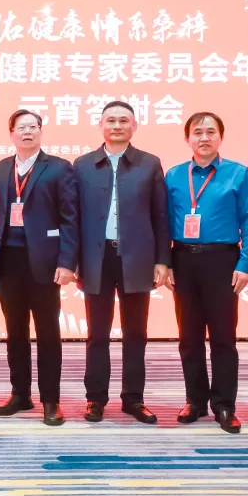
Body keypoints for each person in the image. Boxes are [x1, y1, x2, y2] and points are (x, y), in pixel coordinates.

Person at [74, 100, 170, 425]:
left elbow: (160, 216)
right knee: (97, 333)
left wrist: (162, 260)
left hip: (137, 258)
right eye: (111, 120)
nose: (117, 126)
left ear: (134, 126)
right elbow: (73, 218)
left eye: (123, 121)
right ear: (101, 125)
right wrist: (74, 260)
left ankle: (133, 398)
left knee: (136, 332)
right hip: (96, 258)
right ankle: (95, 398)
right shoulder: (83, 165)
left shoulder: (150, 164)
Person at [164, 112, 248, 434]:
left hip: (223, 261)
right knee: (189, 338)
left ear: (221, 137)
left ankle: (224, 404)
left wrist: (245, 263)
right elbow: (163, 222)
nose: (204, 138)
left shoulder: (238, 173)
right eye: (197, 132)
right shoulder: (174, 175)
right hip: (183, 261)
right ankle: (195, 400)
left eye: (210, 132)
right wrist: (164, 262)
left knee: (223, 338)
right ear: (187, 138)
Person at [0, 109, 79, 427]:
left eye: (33, 126)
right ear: (11, 133)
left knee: (48, 333)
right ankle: (20, 394)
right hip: (8, 262)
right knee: (15, 331)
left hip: (45, 262)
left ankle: (51, 400)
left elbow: (70, 218)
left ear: (41, 131)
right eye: (21, 127)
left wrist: (67, 262)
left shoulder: (59, 168)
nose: (27, 132)